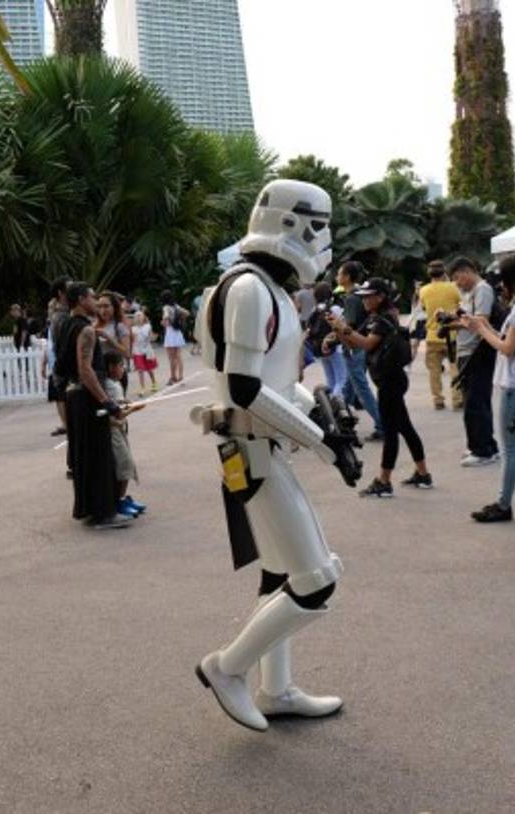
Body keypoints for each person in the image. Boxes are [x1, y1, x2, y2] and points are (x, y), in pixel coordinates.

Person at [193, 179, 357, 732]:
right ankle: (228, 667)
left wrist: (325, 415)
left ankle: (276, 688)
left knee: (279, 573)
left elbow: (276, 385)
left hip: (257, 445)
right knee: (316, 579)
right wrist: (323, 441)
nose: (323, 240)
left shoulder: (264, 288)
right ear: (294, 225)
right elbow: (242, 389)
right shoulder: (248, 290)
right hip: (251, 447)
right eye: (319, 226)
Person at [330, 277, 433, 497]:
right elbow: (354, 341)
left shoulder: (385, 319)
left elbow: (367, 344)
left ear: (380, 297)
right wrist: (338, 332)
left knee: (390, 431)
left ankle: (383, 481)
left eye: (369, 296)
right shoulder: (374, 317)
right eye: (363, 296)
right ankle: (423, 474)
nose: (365, 300)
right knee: (404, 427)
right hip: (388, 380)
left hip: (390, 381)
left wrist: (343, 329)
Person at [460, 253, 515, 522]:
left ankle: (504, 504)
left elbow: (507, 348)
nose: (501, 287)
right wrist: (481, 325)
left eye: (504, 281)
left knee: (510, 448)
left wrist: (482, 330)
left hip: (512, 386)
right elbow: (507, 341)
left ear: (513, 281)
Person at [56, 282, 129, 529]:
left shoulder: (65, 324)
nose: (96, 302)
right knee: (99, 455)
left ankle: (88, 510)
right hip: (87, 397)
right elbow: (85, 369)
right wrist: (106, 400)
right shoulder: (85, 330)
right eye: (92, 297)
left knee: (82, 455)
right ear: (79, 300)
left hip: (73, 396)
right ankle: (103, 514)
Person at [447, 256, 500, 466]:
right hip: (468, 351)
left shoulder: (482, 289)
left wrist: (455, 323)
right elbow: (470, 318)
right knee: (476, 401)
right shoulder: (470, 292)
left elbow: (481, 321)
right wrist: (452, 318)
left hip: (477, 352)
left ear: (467, 272)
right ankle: (485, 445)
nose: (458, 284)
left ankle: (482, 451)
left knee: (475, 403)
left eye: (458, 279)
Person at [336, 261, 384, 440]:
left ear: (347, 277)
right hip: (362, 346)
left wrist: (335, 333)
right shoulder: (360, 294)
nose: (337, 277)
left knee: (361, 388)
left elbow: (348, 325)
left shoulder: (351, 297)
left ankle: (382, 425)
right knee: (349, 389)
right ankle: (342, 422)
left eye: (339, 273)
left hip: (354, 347)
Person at [102, 350, 146, 519]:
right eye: (121, 365)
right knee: (125, 463)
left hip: (118, 429)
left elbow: (118, 405)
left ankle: (122, 498)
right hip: (113, 431)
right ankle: (119, 501)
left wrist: (126, 404)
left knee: (126, 463)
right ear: (111, 367)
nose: (123, 369)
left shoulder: (114, 384)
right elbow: (117, 414)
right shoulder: (111, 385)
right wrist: (133, 409)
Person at [419, 260, 463, 411]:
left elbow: (424, 308)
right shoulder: (453, 287)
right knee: (455, 368)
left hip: (432, 335)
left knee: (434, 371)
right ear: (444, 272)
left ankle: (438, 400)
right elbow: (460, 305)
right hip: (452, 334)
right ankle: (457, 399)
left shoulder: (423, 290)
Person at [307, 281, 347, 398]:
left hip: (320, 348)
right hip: (335, 347)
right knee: (341, 380)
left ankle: (329, 406)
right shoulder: (334, 309)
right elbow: (342, 326)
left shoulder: (315, 310)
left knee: (330, 380)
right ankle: (336, 405)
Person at [42, 277, 71, 437]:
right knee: (60, 395)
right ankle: (65, 423)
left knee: (63, 395)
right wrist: (45, 361)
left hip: (59, 362)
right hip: (59, 363)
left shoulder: (64, 315)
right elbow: (52, 343)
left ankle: (67, 423)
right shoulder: (59, 318)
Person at [161, 290, 188, 384]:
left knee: (171, 357)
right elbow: (186, 313)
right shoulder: (176, 306)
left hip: (170, 333)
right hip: (178, 332)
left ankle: (173, 377)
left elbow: (166, 319)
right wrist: (180, 318)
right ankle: (181, 376)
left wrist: (164, 322)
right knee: (179, 356)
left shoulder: (166, 307)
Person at [131, 309, 159, 395]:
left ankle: (154, 383)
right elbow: (133, 341)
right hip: (137, 351)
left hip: (147, 350)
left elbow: (151, 338)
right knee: (140, 370)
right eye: (136, 316)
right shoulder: (133, 328)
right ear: (134, 319)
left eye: (140, 315)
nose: (138, 318)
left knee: (149, 369)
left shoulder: (148, 326)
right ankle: (142, 388)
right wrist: (132, 351)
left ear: (144, 317)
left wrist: (153, 337)